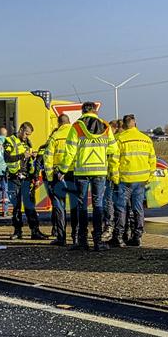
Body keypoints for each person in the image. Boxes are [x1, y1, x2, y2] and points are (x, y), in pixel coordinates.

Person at [58, 102, 118, 252]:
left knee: (81, 205)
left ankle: (82, 241)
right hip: (100, 171)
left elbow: (70, 151)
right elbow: (113, 149)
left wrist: (62, 170)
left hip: (82, 171)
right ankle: (98, 241)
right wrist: (111, 168)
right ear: (95, 111)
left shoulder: (77, 127)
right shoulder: (105, 126)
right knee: (98, 205)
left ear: (82, 111)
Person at [112, 113, 157, 247]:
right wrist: (150, 176)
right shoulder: (146, 139)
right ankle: (137, 236)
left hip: (125, 180)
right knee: (138, 208)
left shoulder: (119, 139)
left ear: (124, 125)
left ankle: (119, 237)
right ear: (135, 124)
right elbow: (152, 159)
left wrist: (114, 177)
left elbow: (114, 161)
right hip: (141, 180)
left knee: (121, 208)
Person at [4, 122, 48, 240]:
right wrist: (22, 155)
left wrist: (32, 157)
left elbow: (30, 163)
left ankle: (35, 231)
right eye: (26, 133)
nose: (27, 136)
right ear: (21, 129)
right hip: (14, 178)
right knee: (16, 207)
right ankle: (17, 231)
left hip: (27, 178)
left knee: (30, 206)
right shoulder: (9, 141)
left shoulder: (28, 142)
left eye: (29, 134)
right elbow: (7, 158)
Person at [43, 114, 78, 246]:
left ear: (59, 123)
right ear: (69, 122)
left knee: (59, 205)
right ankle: (76, 237)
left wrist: (50, 177)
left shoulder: (55, 136)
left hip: (58, 174)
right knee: (75, 206)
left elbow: (48, 158)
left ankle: (61, 237)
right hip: (74, 173)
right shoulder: (76, 133)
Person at [102, 120, 124, 242]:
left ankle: (109, 228)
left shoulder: (115, 141)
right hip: (125, 178)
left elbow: (112, 161)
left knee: (109, 203)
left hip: (112, 177)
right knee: (122, 205)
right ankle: (122, 232)